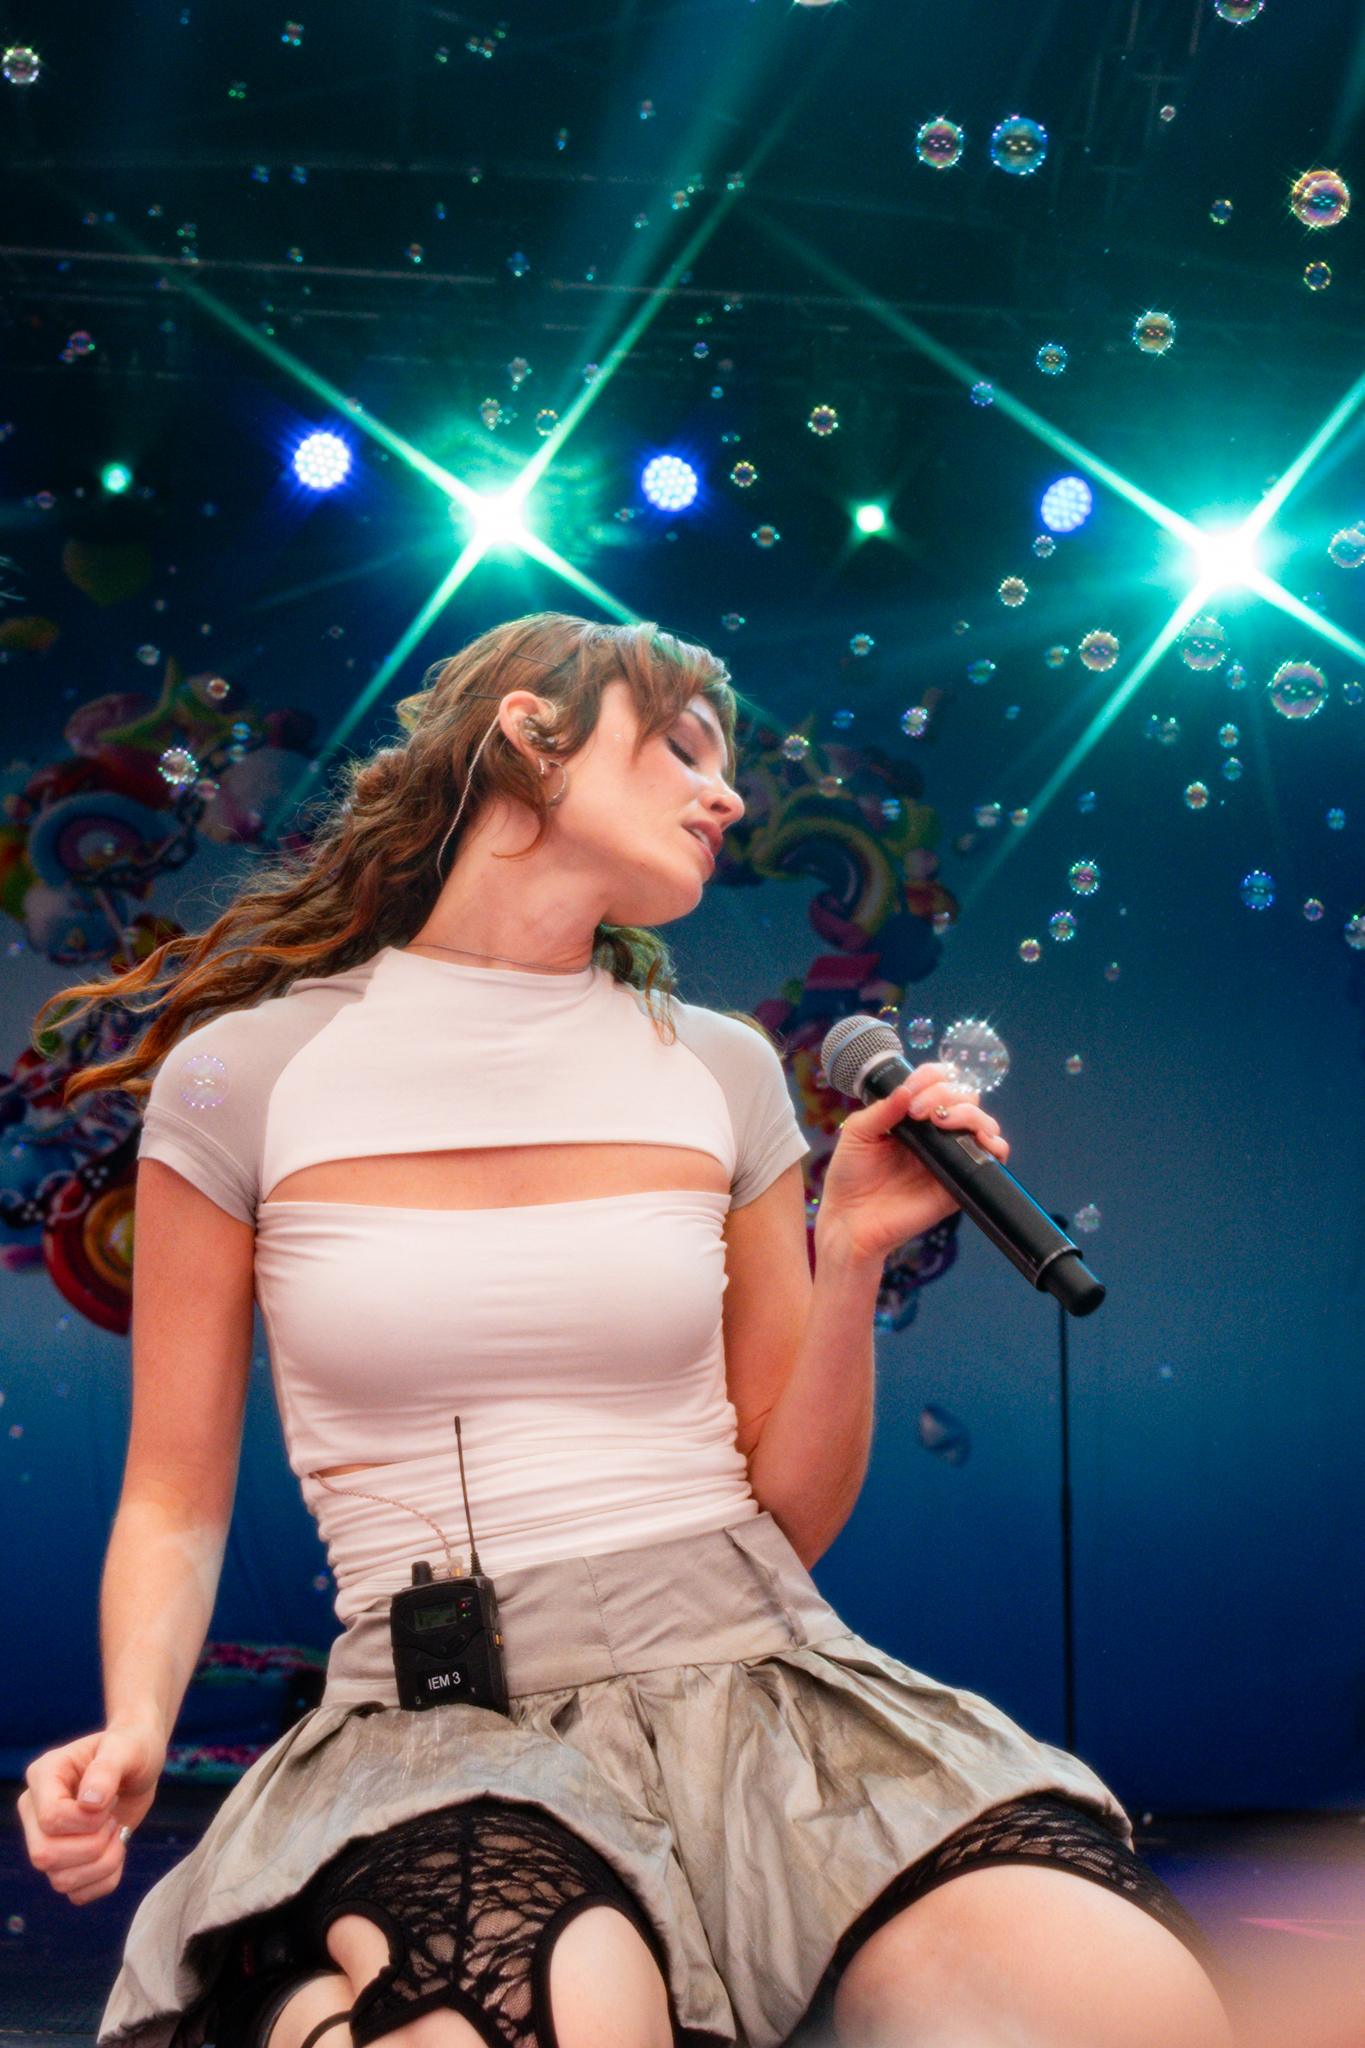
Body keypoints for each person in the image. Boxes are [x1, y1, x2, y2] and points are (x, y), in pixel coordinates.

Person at [17, 613, 1236, 2048]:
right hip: (442, 1727)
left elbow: (784, 1515)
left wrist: (847, 1254)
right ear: (530, 737)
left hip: (758, 1684)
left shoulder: (722, 1069)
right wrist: (138, 1724)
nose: (725, 797)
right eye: (683, 748)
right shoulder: (246, 1075)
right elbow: (172, 1492)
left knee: (1122, 2007)